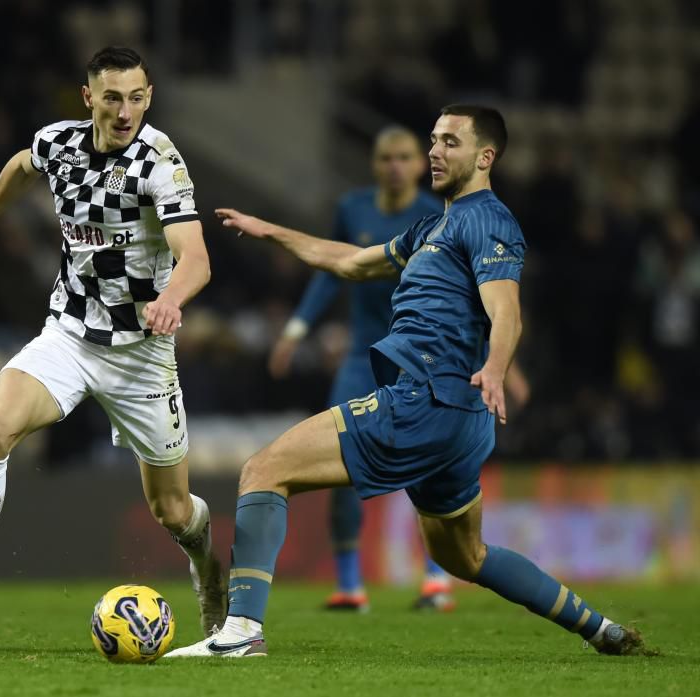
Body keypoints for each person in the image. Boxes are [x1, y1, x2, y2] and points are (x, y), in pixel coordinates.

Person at [167, 105, 647, 658]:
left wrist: (495, 367)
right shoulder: (432, 227)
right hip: (461, 423)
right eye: (434, 140)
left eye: (451, 142)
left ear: (485, 157)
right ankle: (601, 629)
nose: (436, 151)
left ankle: (240, 632)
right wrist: (271, 231)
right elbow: (352, 263)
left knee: (264, 471)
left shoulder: (487, 219)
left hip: (427, 399)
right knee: (466, 558)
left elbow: (506, 310)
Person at [0, 46, 225, 635]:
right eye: (113, 97)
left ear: (148, 96)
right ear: (88, 97)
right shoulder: (60, 143)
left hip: (141, 355)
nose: (126, 111)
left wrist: (171, 299)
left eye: (138, 97)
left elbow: (196, 258)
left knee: (173, 511)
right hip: (70, 335)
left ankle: (210, 571)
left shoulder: (161, 163)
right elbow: (23, 166)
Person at [269, 127, 526, 612]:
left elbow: (489, 302)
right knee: (336, 470)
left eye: (405, 156)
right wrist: (297, 328)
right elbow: (337, 270)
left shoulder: (442, 215)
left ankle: (435, 578)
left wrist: (503, 368)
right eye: (386, 156)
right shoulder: (354, 209)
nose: (396, 165)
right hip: (362, 359)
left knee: (423, 463)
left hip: (428, 365)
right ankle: (350, 585)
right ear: (373, 163)